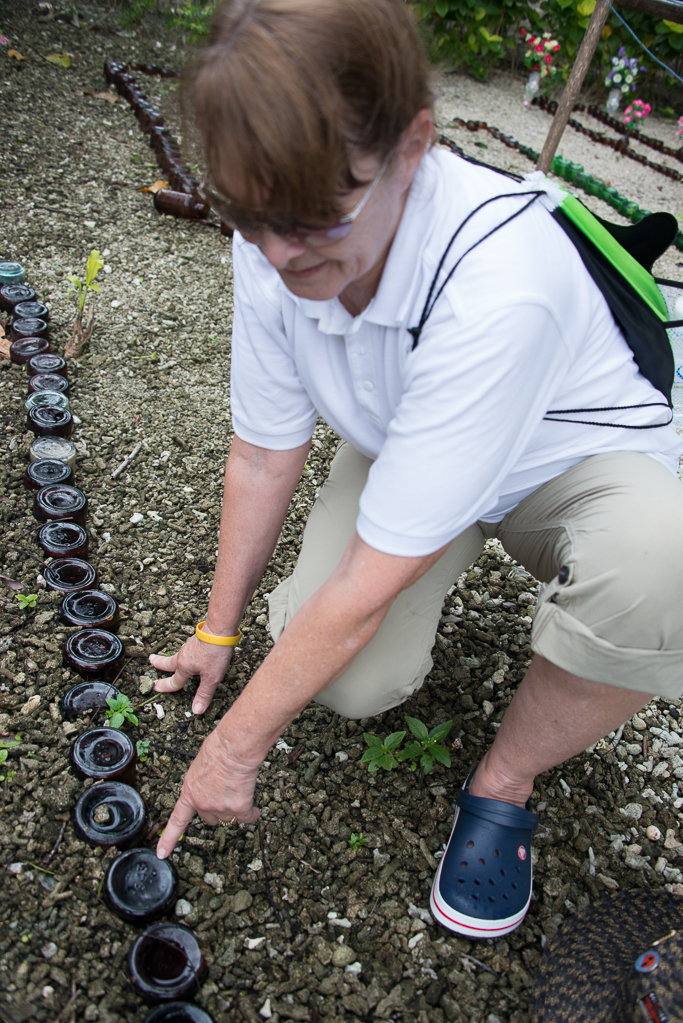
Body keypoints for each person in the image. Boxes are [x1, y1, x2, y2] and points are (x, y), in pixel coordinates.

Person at [149, 0, 683, 939]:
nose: (278, 253)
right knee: (348, 684)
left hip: (562, 455)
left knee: (660, 564)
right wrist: (216, 630)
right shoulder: (272, 230)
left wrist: (232, 748)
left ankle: (503, 785)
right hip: (415, 437)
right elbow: (263, 451)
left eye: (313, 216)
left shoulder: (501, 282)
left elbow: (362, 588)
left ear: (413, 145)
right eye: (250, 214)